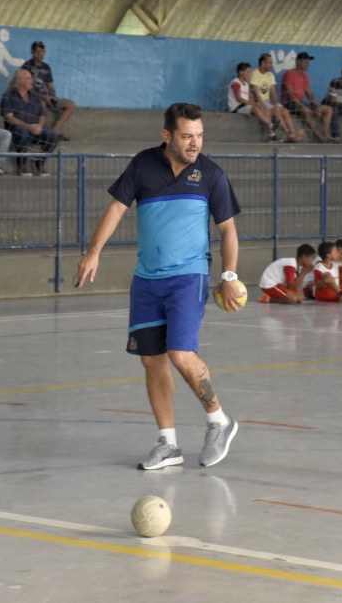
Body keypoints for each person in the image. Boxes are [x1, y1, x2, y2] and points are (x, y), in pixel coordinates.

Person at [76, 103, 243, 470]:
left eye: (199, 135)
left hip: (189, 276)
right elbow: (117, 208)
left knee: (180, 354)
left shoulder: (211, 174)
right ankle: (168, 443)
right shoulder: (143, 165)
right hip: (147, 280)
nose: (194, 143)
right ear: (167, 135)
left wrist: (229, 276)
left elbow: (228, 229)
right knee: (152, 361)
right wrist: (94, 252)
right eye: (187, 136)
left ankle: (219, 420)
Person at [0, 68, 59, 176]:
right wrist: (28, 126)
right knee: (23, 132)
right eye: (28, 78)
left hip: (35, 128)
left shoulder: (35, 96)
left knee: (52, 135)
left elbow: (42, 115)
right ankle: (22, 163)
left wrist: (39, 126)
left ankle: (40, 162)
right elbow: (9, 117)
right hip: (16, 130)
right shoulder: (8, 96)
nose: (32, 81)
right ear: (20, 81)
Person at [21, 41, 75, 139]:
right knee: (41, 104)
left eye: (42, 51)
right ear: (32, 52)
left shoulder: (47, 67)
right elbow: (25, 88)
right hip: (34, 98)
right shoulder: (26, 66)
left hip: (47, 97)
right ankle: (42, 134)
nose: (40, 54)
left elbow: (51, 87)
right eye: (37, 51)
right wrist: (44, 97)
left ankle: (53, 132)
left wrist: (51, 97)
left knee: (70, 105)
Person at [248, 53, 304, 142]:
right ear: (263, 63)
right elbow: (256, 94)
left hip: (268, 101)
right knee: (275, 111)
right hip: (259, 101)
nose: (272, 65)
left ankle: (292, 132)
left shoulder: (270, 75)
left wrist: (275, 103)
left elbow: (273, 92)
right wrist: (265, 107)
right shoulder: (255, 74)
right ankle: (289, 134)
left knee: (284, 111)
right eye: (269, 63)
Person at [281, 52, 335, 143]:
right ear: (298, 62)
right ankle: (317, 135)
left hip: (300, 102)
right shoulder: (289, 74)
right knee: (305, 110)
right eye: (306, 62)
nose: (308, 64)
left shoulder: (304, 76)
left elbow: (310, 95)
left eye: (308, 62)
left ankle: (325, 135)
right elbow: (290, 95)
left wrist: (317, 106)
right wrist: (301, 105)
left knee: (328, 109)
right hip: (290, 103)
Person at [228, 62, 280, 142]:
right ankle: (270, 124)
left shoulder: (246, 84)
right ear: (240, 72)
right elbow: (239, 99)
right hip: (237, 107)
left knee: (264, 110)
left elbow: (249, 98)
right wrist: (253, 104)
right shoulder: (235, 83)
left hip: (245, 106)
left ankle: (272, 135)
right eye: (248, 72)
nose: (249, 74)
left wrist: (257, 104)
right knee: (255, 108)